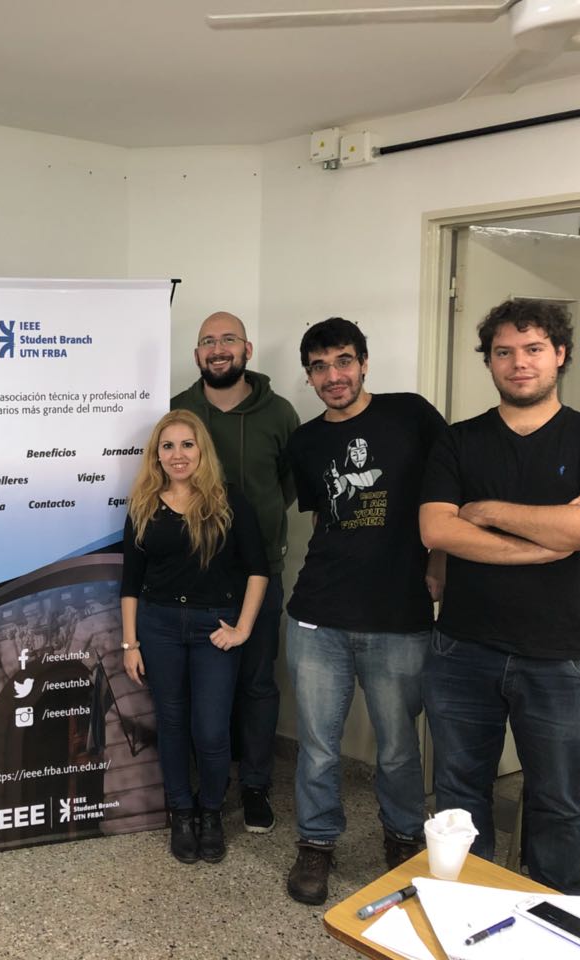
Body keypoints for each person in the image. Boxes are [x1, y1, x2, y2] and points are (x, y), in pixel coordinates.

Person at [420, 299, 580, 894]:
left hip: (561, 656)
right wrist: (547, 542)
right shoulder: (458, 441)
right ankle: (467, 906)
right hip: (463, 651)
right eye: (504, 352)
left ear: (559, 355)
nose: (519, 363)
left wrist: (484, 511)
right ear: (489, 361)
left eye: (534, 348)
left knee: (556, 802)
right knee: (459, 795)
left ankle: (552, 914)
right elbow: (437, 530)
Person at [282, 318, 447, 905]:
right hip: (317, 615)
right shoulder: (305, 441)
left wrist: (440, 561)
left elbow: (448, 492)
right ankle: (316, 843)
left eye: (343, 361)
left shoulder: (411, 414)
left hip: (398, 614)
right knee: (318, 746)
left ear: (364, 363)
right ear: (309, 376)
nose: (333, 376)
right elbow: (325, 517)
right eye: (320, 367)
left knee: (398, 745)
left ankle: (402, 839)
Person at [120, 409, 269, 864]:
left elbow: (258, 569)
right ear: (156, 455)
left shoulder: (228, 501)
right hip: (159, 627)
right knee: (171, 723)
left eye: (187, 444)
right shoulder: (144, 504)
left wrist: (243, 629)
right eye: (167, 446)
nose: (178, 454)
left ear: (201, 449)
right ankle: (181, 812)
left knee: (210, 729)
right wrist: (130, 644)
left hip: (213, 628)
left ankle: (211, 811)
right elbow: (131, 581)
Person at [172, 310, 298, 833]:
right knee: (201, 688)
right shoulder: (179, 410)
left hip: (258, 573)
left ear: (247, 349)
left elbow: (289, 483)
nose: (218, 349)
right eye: (208, 341)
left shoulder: (280, 413)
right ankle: (209, 786)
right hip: (194, 577)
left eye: (228, 339)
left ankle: (255, 785)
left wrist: (254, 528)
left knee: (257, 683)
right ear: (197, 354)